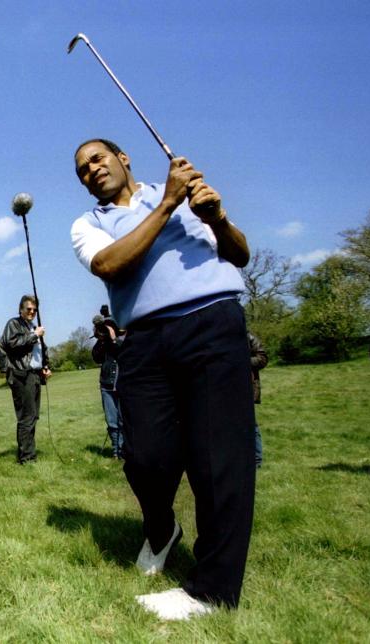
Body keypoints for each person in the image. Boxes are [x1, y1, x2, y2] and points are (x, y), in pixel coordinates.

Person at [71, 138, 254, 620]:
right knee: (146, 457)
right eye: (83, 170)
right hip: (146, 340)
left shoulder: (187, 192)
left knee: (218, 460)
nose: (92, 170)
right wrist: (169, 203)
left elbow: (240, 254)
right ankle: (162, 528)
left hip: (212, 321)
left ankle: (212, 591)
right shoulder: (89, 224)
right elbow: (110, 264)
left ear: (123, 158)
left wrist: (215, 217)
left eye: (97, 159)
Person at [0, 295, 51, 465]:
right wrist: (34, 335)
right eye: (28, 309)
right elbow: (11, 344)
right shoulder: (14, 324)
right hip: (22, 374)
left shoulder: (34, 327)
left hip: (35, 374)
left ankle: (29, 452)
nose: (32, 312)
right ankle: (27, 458)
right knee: (26, 416)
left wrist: (45, 366)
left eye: (34, 310)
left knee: (33, 416)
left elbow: (41, 351)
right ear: (21, 309)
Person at [91, 307, 125, 459]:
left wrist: (113, 339)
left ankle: (125, 449)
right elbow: (96, 357)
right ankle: (115, 451)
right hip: (107, 385)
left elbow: (123, 353)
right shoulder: (102, 343)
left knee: (123, 420)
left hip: (124, 384)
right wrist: (101, 339)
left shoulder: (123, 340)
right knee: (112, 421)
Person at [249, 332, 268, 467]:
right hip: (223, 387)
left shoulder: (249, 337)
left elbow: (262, 358)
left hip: (246, 387)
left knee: (250, 424)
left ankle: (257, 460)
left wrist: (243, 360)